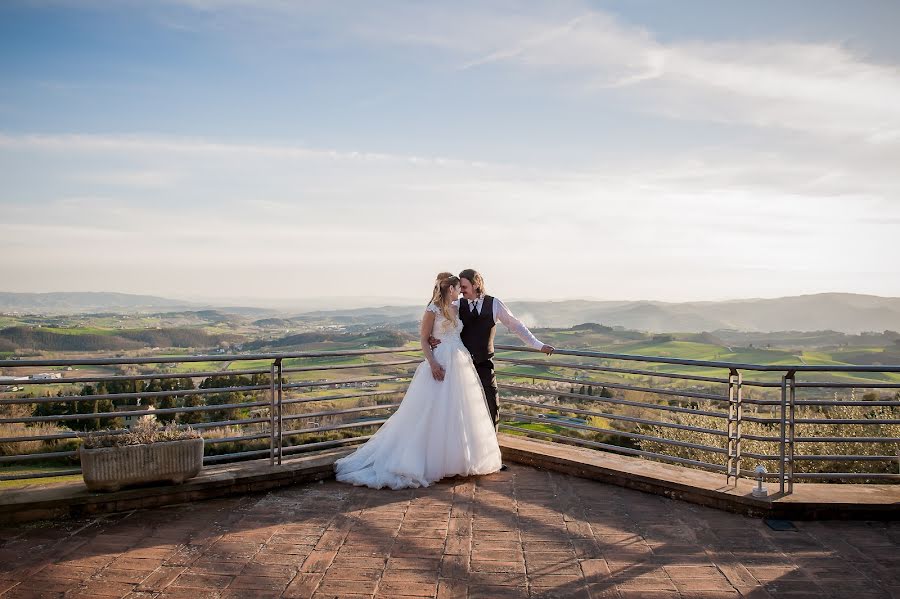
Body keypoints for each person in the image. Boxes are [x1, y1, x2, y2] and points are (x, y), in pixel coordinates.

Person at [334, 272, 502, 489]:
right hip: (440, 362)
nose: (460, 291)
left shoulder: (457, 307)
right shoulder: (432, 309)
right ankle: (426, 461)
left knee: (457, 413)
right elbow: (423, 339)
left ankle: (457, 460)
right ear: (449, 289)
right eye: (457, 288)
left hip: (460, 363)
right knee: (431, 412)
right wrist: (432, 362)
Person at [430, 269, 554, 470]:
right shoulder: (456, 304)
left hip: (485, 365)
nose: (461, 291)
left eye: (464, 287)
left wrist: (539, 345)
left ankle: (491, 459)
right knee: (462, 413)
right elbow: (437, 318)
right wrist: (431, 339)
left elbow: (516, 325)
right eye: (459, 287)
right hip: (461, 367)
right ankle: (466, 459)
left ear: (476, 284)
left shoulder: (494, 304)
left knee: (491, 407)